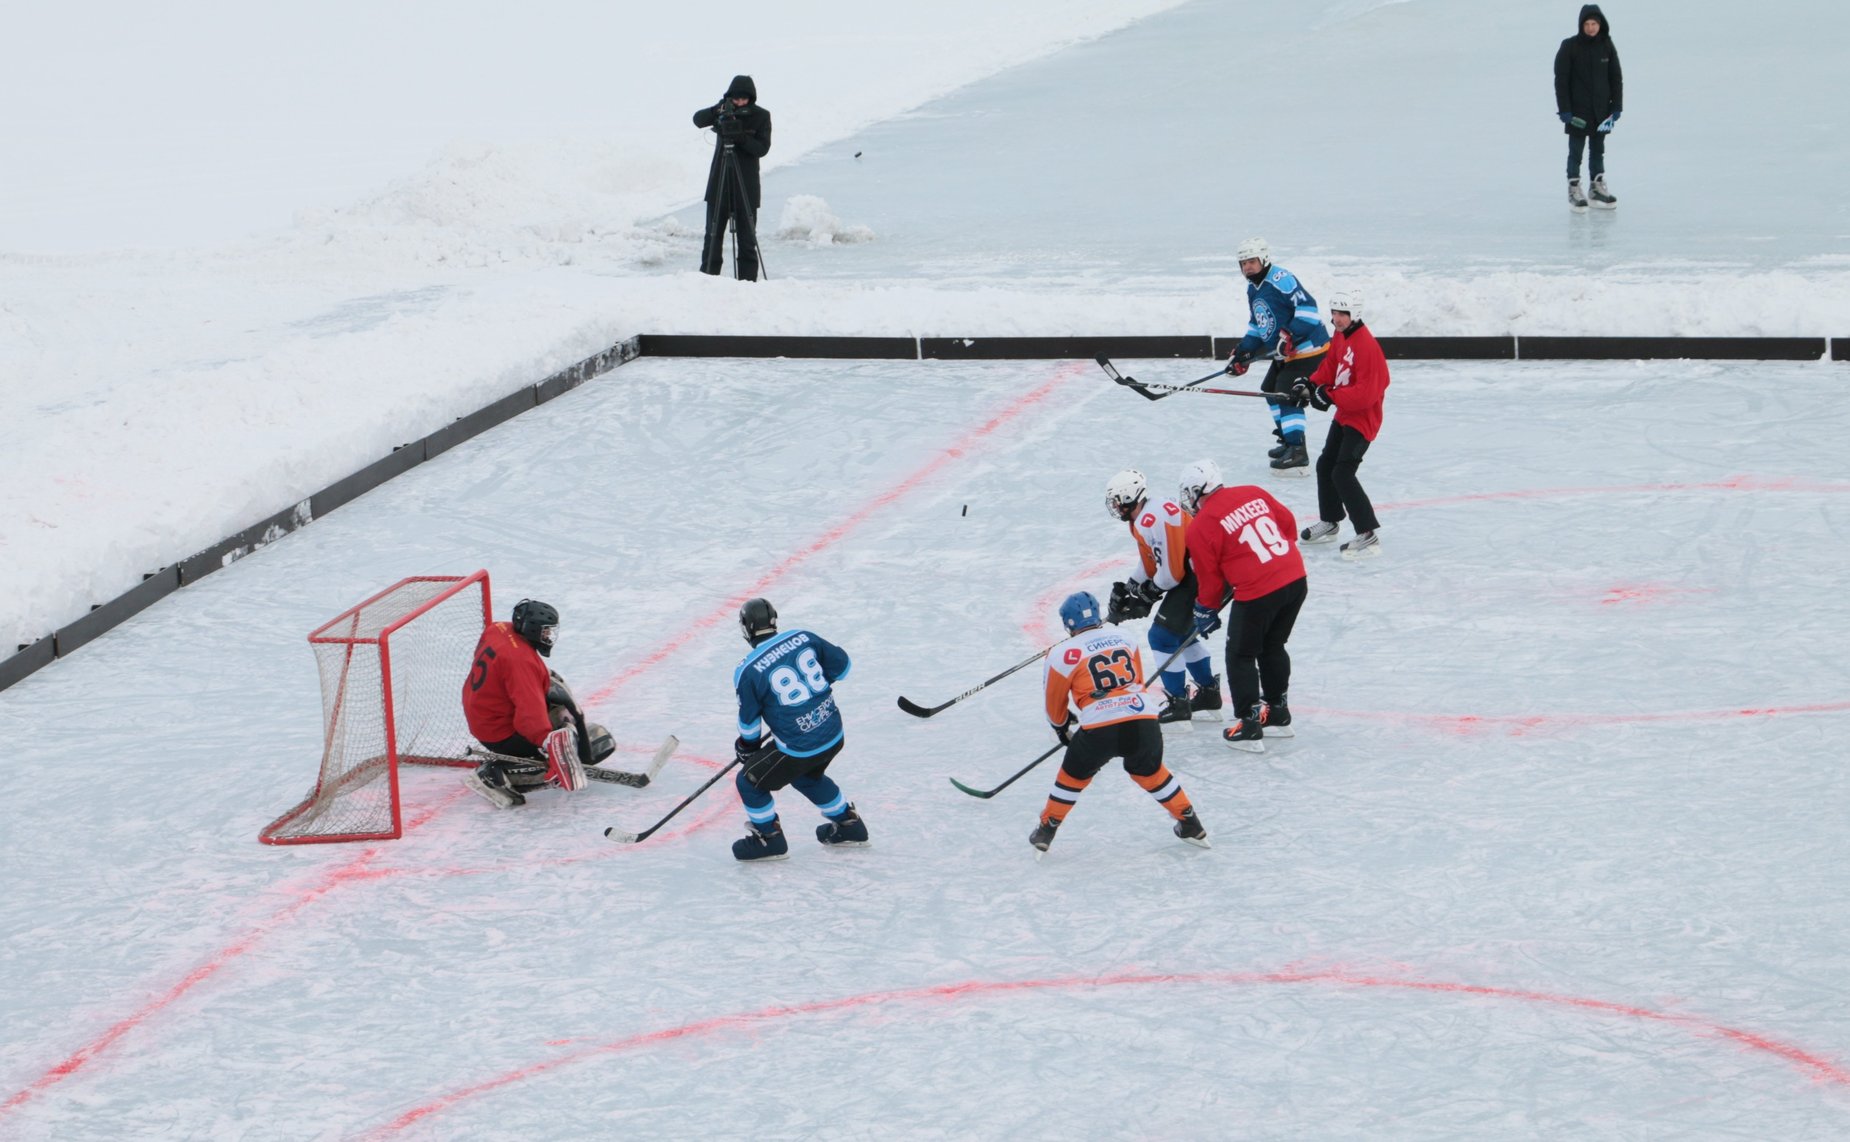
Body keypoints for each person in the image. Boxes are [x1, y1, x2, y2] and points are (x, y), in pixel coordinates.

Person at [1030, 590, 1209, 855]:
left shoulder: (1061, 653)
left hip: (1100, 726)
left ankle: (1047, 829)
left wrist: (1061, 726)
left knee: (1073, 775)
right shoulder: (1125, 638)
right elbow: (1136, 680)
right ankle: (1190, 823)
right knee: (1150, 771)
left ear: (1068, 624)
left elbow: (1054, 703)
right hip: (1143, 719)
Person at [1180, 460, 1309, 753]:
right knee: (1273, 645)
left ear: (1197, 490)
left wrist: (1205, 609)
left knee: (1240, 653)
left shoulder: (1201, 525)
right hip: (1295, 579)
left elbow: (1210, 579)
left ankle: (1249, 723)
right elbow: (1287, 524)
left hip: (1259, 591)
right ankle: (1277, 713)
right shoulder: (1253, 491)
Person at [729, 597, 868, 862]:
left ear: (745, 628)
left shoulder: (747, 670)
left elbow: (749, 723)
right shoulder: (803, 637)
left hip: (801, 747)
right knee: (806, 776)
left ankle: (768, 840)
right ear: (774, 620)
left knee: (748, 781)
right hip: (833, 732)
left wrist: (746, 748)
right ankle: (850, 825)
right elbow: (843, 666)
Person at [1102, 468, 1223, 727]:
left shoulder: (1151, 519)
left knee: (1162, 636)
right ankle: (1209, 694)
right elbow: (1151, 563)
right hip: (1199, 572)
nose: (1113, 506)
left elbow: (1171, 575)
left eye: (1115, 500)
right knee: (1178, 634)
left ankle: (1178, 704)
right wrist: (1131, 586)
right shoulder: (1142, 518)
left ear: (1128, 498)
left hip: (1200, 574)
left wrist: (1148, 594)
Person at [461, 599, 592, 808]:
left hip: (482, 712)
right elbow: (529, 718)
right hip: (497, 730)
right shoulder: (522, 662)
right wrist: (548, 744)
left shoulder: (499, 629)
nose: (549, 637)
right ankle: (493, 774)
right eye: (545, 632)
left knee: (559, 707)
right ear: (531, 629)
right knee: (561, 740)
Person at [1292, 291, 1389, 560]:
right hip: (1345, 414)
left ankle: (1367, 533)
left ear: (1354, 314)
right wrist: (1311, 383)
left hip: (1363, 419)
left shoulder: (1367, 346)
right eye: (1334, 312)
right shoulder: (1341, 335)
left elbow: (1367, 394)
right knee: (1325, 466)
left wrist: (1330, 396)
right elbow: (1332, 365)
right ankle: (1331, 521)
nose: (1336, 319)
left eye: (1342, 314)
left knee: (1343, 473)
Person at [1224, 238, 1331, 474]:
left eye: (1251, 261)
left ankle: (1298, 451)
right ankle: (1287, 438)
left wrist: (1290, 334)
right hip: (1286, 354)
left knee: (1285, 393)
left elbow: (1309, 310)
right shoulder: (1253, 288)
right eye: (1243, 263)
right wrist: (1244, 351)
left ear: (1264, 258)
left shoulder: (1282, 280)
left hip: (1310, 349)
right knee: (1270, 389)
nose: (1247, 268)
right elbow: (1257, 325)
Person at [692, 75, 773, 280]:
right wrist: (716, 111)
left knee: (747, 241)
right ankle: (708, 281)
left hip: (746, 187)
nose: (739, 103)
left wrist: (741, 137)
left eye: (744, 99)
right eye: (736, 99)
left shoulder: (761, 116)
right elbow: (697, 119)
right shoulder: (722, 111)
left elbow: (762, 149)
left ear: (751, 98)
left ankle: (747, 285)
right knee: (712, 238)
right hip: (719, 185)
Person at [1554, 5, 1622, 211]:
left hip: (1601, 111)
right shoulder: (1570, 46)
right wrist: (1565, 110)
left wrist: (1616, 107)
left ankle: (1596, 187)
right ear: (1581, 25)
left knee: (1598, 150)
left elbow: (1615, 78)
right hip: (1577, 112)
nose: (1591, 28)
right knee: (1576, 151)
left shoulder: (1607, 46)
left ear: (1600, 25)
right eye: (1587, 24)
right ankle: (1574, 188)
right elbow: (1561, 81)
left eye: (1594, 24)